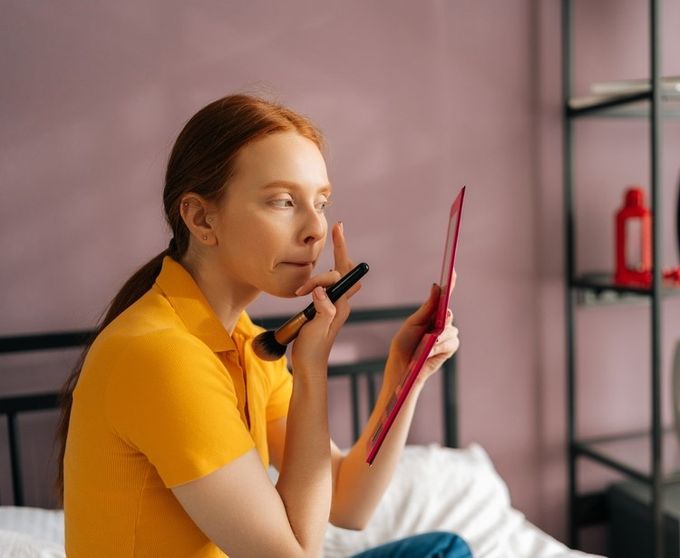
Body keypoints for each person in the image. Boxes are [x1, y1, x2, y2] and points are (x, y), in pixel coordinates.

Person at [56, 93, 468, 558]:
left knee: (442, 548)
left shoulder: (249, 343)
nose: (315, 228)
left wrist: (403, 376)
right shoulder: (160, 355)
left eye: (321, 201)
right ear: (200, 218)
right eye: (283, 201)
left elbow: (349, 502)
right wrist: (311, 371)